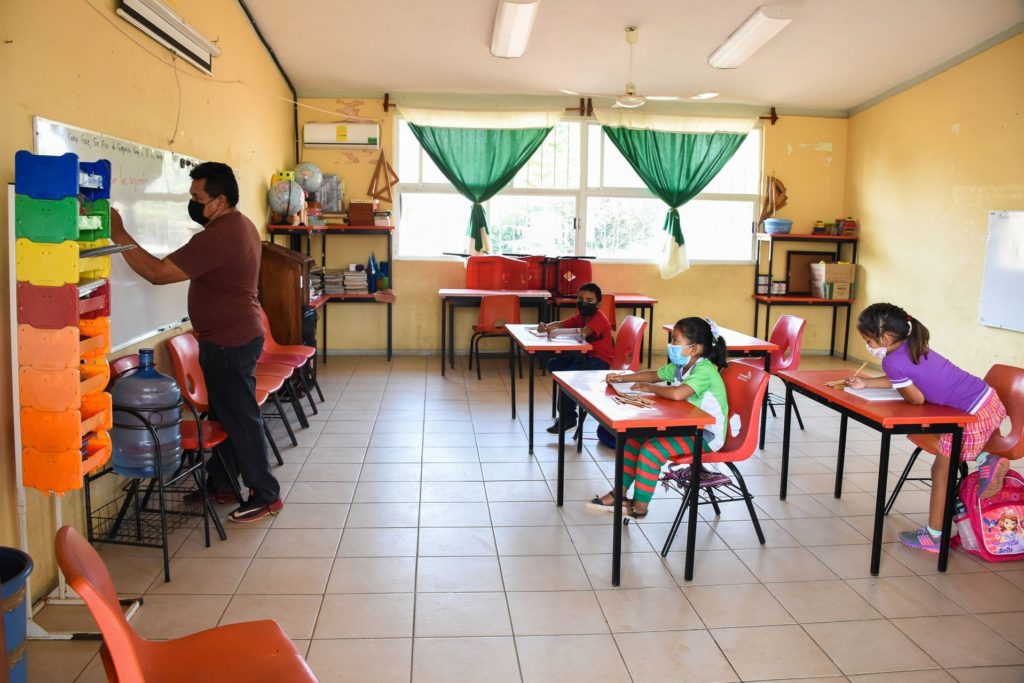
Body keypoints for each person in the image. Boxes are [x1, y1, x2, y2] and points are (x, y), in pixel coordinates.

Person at [109, 162, 283, 523]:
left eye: (196, 198)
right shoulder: (240, 225)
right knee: (225, 415)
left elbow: (157, 274)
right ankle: (221, 483)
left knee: (241, 418)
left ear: (219, 201)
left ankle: (266, 494)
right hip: (234, 336)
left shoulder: (219, 235)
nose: (192, 205)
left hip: (230, 342)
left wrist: (119, 233)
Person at [845, 302, 1008, 552]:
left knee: (941, 470)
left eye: (869, 340)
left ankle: (934, 536)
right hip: (988, 401)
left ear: (886, 338)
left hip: (973, 416)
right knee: (943, 444)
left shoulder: (892, 361)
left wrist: (890, 388)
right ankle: (986, 458)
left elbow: (916, 398)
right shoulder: (914, 344)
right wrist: (867, 384)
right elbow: (903, 379)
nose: (868, 346)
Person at [593, 317, 730, 520]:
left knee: (651, 450)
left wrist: (650, 389)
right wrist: (622, 377)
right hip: (686, 426)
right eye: (672, 340)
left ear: (695, 349)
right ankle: (618, 495)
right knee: (633, 441)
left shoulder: (705, 370)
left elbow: (677, 394)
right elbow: (653, 374)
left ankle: (639, 507)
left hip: (707, 435)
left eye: (676, 341)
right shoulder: (680, 366)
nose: (671, 346)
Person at [538, 282, 614, 433]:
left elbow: (584, 333)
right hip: (583, 356)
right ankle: (569, 405)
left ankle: (568, 418)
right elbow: (562, 324)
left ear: (598, 303)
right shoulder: (581, 316)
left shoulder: (598, 318)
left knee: (568, 378)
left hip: (599, 361)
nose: (584, 303)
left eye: (589, 300)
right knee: (554, 364)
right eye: (581, 298)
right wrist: (547, 326)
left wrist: (556, 332)